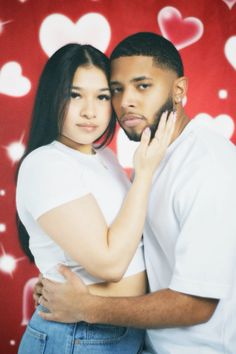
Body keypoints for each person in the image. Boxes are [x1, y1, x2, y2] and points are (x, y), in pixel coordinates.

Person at [36, 33, 236, 354]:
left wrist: (86, 306)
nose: (125, 100)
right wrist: (64, 286)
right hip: (144, 344)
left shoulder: (209, 168)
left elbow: (197, 305)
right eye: (116, 90)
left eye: (143, 85)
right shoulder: (148, 156)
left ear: (179, 90)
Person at [16, 42, 176, 354]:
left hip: (116, 329)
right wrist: (144, 173)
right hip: (78, 334)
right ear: (53, 96)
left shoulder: (104, 157)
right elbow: (110, 264)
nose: (90, 111)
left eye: (102, 96)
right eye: (75, 95)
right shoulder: (46, 163)